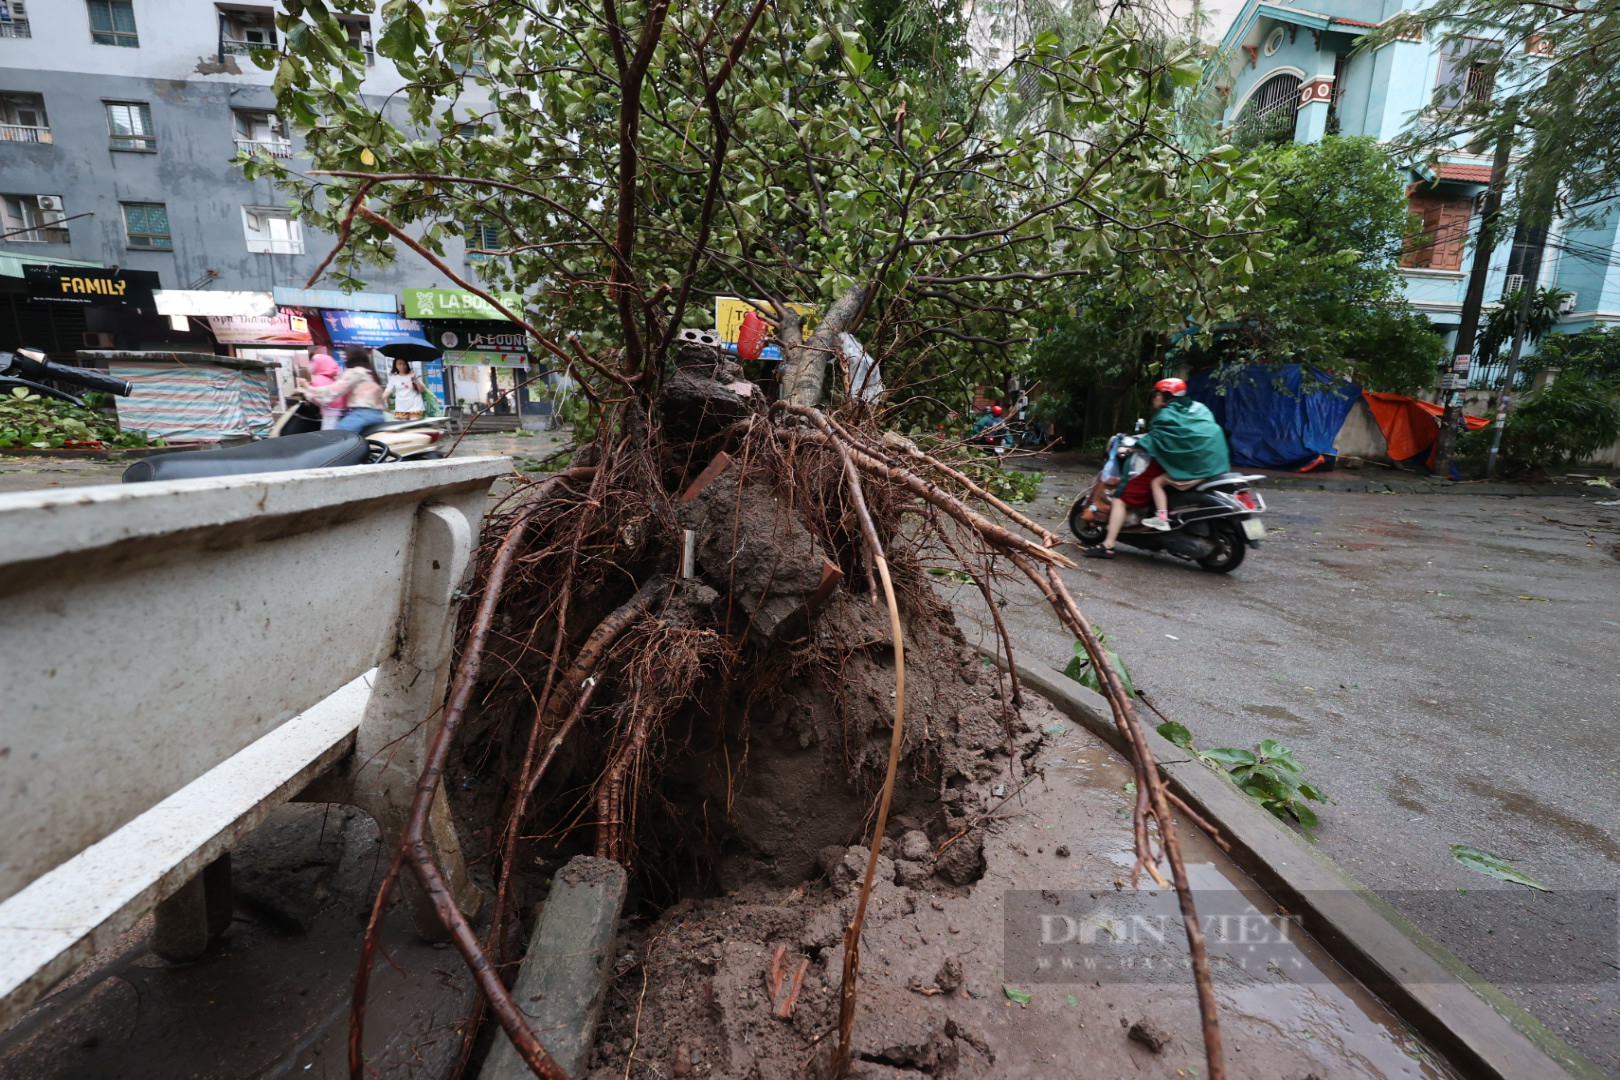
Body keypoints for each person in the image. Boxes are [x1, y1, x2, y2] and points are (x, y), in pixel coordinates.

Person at [1082, 377, 1230, 558]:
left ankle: (1108, 544)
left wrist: (1129, 449)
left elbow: (1153, 441)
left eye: (1156, 395)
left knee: (1122, 497)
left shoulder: (1165, 415)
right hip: (1213, 466)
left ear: (1166, 396)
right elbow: (1174, 435)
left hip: (1189, 468)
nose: (1154, 399)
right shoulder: (1198, 408)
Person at [301, 347, 388, 436]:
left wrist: (307, 389)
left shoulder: (354, 372)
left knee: (336, 436)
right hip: (378, 415)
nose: (343, 358)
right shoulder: (370, 373)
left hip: (362, 415)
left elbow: (332, 392)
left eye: (345, 355)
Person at [307, 352, 345, 430]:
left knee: (329, 436)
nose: (310, 365)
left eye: (312, 363)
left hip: (330, 412)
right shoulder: (331, 378)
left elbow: (317, 397)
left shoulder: (319, 378)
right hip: (339, 411)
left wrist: (307, 392)